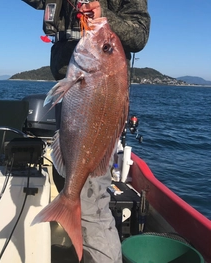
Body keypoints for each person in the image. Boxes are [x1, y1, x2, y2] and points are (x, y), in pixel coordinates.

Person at [23, 1, 150, 262]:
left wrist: (104, 17)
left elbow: (139, 33)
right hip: (75, 94)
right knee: (68, 182)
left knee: (91, 201)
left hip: (96, 98)